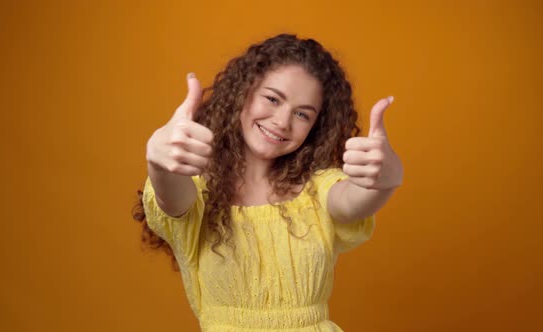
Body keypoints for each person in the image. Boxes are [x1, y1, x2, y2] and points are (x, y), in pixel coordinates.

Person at [132, 33, 403, 331]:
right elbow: (172, 199)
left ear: (316, 127)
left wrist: (386, 179)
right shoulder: (196, 187)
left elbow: (352, 202)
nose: (282, 121)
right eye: (273, 99)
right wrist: (158, 161)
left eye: (302, 114)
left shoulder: (317, 188)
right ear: (242, 93)